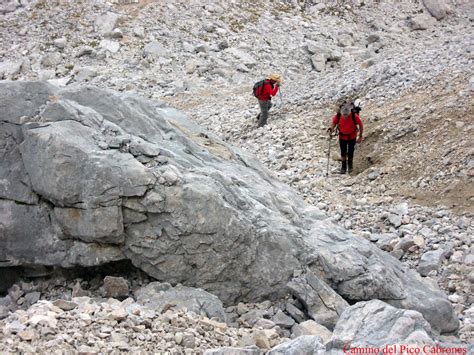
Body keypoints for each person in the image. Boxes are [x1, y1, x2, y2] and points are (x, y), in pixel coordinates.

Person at [327, 101, 364, 174]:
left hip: (352, 136)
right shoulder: (338, 116)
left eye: (346, 116)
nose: (345, 117)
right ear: (341, 113)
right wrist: (331, 130)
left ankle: (350, 166)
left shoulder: (354, 116)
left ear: (349, 113)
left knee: (351, 151)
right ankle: (343, 167)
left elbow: (360, 124)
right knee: (343, 152)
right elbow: (334, 123)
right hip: (342, 136)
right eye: (344, 115)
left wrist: (360, 136)